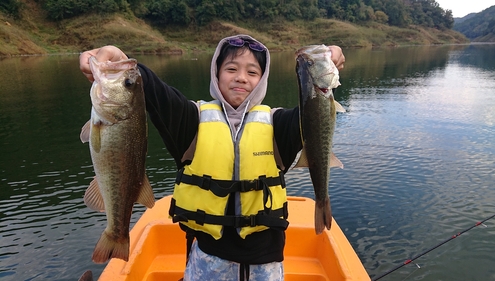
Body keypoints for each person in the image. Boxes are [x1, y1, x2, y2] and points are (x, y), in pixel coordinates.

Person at [79, 34, 345, 281]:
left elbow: (315, 112)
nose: (241, 77)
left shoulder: (279, 125)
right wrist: (117, 56)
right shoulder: (190, 121)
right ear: (216, 75)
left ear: (262, 79)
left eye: (252, 72)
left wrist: (325, 65)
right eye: (231, 69)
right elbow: (153, 91)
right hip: (208, 261)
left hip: (267, 265)